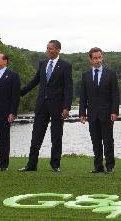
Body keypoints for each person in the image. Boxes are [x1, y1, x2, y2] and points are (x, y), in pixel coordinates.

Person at [18, 40, 73, 172]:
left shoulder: (65, 66)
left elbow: (68, 88)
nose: (48, 50)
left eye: (51, 48)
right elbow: (35, 81)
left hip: (57, 107)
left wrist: (66, 107)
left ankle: (55, 165)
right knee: (36, 135)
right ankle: (31, 165)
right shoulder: (43, 64)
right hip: (42, 105)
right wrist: (21, 92)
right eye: (47, 48)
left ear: (58, 50)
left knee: (56, 136)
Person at [79, 47, 120, 173]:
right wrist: (82, 113)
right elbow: (83, 96)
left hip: (107, 113)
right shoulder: (85, 75)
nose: (98, 60)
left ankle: (109, 166)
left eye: (99, 57)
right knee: (95, 141)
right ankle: (98, 166)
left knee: (108, 141)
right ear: (90, 59)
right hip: (92, 113)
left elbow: (115, 95)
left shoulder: (111, 74)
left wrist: (114, 111)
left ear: (102, 57)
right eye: (95, 58)